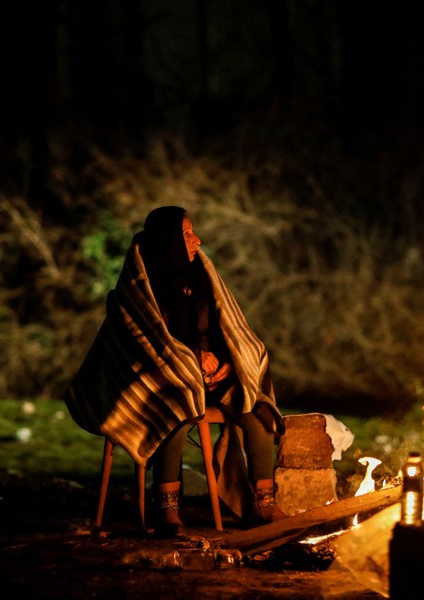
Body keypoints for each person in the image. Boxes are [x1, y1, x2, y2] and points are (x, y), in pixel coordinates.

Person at [64, 206, 287, 537]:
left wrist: (229, 363)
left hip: (209, 378)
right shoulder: (137, 287)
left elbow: (229, 329)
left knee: (255, 407)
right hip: (155, 383)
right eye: (186, 234)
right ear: (168, 240)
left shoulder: (202, 279)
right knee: (179, 405)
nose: (197, 240)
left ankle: (262, 505)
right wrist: (192, 361)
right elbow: (144, 346)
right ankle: (167, 509)